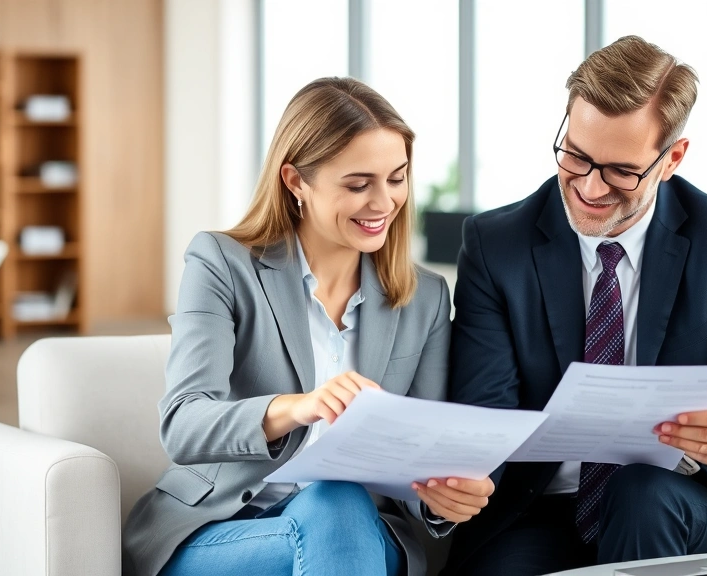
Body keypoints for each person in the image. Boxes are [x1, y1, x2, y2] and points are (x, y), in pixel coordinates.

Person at [443, 36, 707, 575]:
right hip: (539, 508)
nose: (588, 186)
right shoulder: (495, 244)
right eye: (576, 155)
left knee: (641, 491)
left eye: (621, 170)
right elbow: (483, 412)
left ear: (671, 158)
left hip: (680, 500)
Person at [122, 77, 494, 576]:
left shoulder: (424, 297)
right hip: (225, 529)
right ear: (296, 181)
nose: (383, 203)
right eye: (358, 184)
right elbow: (183, 423)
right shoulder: (221, 264)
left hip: (353, 529)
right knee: (335, 509)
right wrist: (299, 407)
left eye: (397, 178)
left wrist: (441, 495)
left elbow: (417, 448)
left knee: (337, 502)